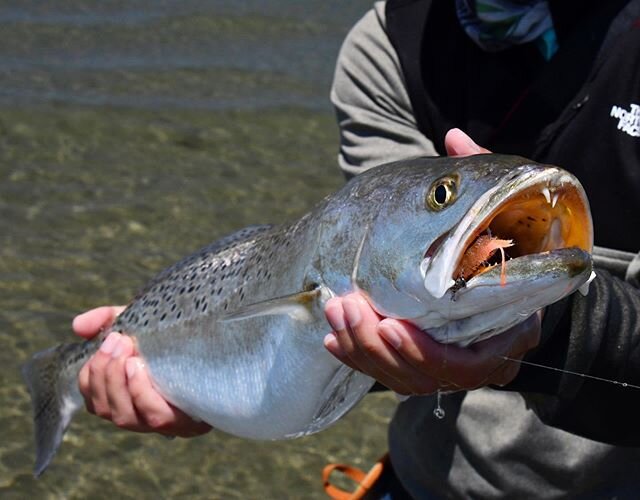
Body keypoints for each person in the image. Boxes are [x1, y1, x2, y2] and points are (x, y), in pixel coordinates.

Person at [75, 0, 640, 497]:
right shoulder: (387, 48)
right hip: (430, 477)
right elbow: (376, 295)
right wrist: (193, 381)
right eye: (442, 194)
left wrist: (548, 327)